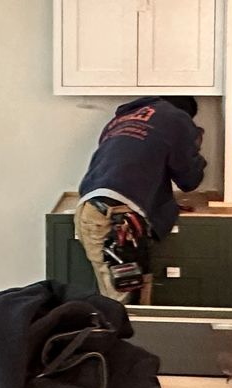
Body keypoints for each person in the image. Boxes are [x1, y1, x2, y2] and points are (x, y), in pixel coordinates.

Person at [75, 96, 206, 303]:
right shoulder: (178, 119)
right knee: (124, 297)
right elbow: (189, 180)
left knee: (127, 288)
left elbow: (131, 165)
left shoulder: (121, 119)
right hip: (119, 217)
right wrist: (195, 146)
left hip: (92, 209)